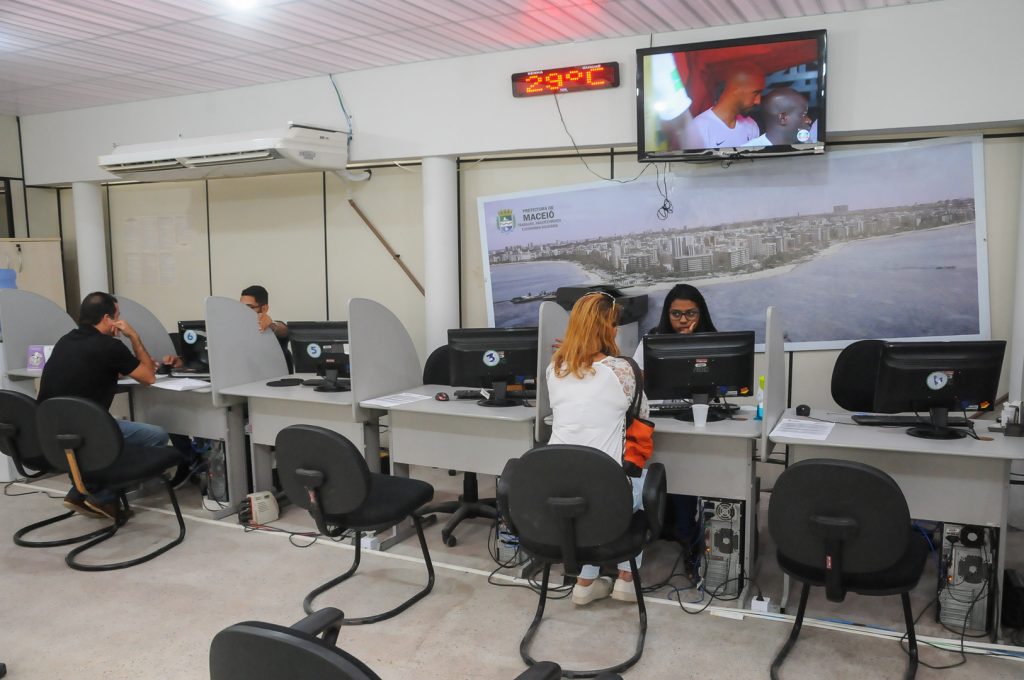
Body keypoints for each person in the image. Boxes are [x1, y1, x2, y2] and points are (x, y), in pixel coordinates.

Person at [547, 292, 650, 606]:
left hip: (556, 487)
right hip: (609, 494)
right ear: (608, 327)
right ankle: (626, 580)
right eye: (614, 324)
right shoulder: (624, 370)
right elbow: (643, 416)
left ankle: (584, 582)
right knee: (638, 474)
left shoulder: (554, 369)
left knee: (586, 483)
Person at [37, 291, 178, 519]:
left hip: (53, 433)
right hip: (89, 432)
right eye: (117, 316)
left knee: (108, 432)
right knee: (157, 436)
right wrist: (132, 336)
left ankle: (82, 489)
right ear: (106, 319)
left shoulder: (66, 341)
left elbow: (96, 367)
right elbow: (149, 377)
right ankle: (103, 495)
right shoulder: (109, 346)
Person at [633, 284, 717, 574]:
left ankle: (688, 534)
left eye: (690, 313)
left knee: (686, 473)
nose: (682, 320)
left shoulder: (713, 341)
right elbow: (636, 379)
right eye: (676, 313)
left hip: (698, 424)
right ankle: (658, 527)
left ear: (700, 313)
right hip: (657, 421)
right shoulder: (652, 342)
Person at [691, 67, 765, 148]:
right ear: (736, 90)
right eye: (755, 93)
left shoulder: (751, 125)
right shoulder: (698, 129)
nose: (758, 101)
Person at [240, 284, 292, 372]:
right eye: (241, 307)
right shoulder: (240, 329)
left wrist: (271, 324)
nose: (243, 311)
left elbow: (284, 331)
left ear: (264, 308)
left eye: (249, 307)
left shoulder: (272, 327)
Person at [743, 87, 812, 147]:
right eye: (803, 115)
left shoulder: (807, 146)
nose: (809, 120)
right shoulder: (748, 153)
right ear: (783, 118)